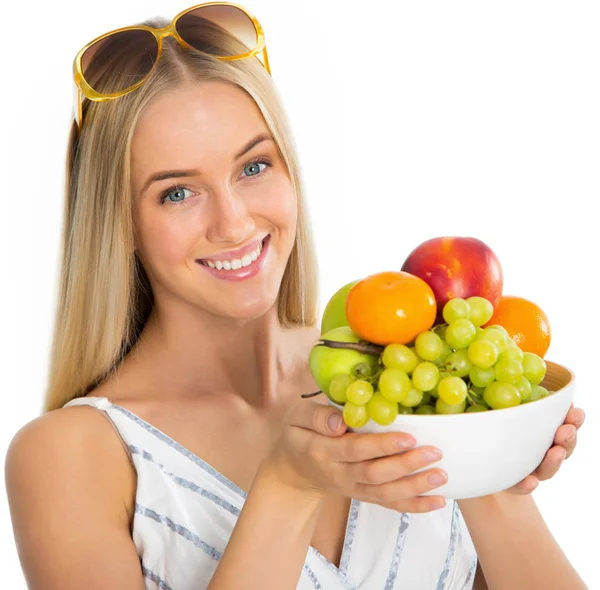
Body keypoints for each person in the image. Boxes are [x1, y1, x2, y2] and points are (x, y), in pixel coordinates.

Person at [4, 4, 587, 589]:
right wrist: (289, 485)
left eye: (254, 166)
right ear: (119, 222)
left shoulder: (397, 372)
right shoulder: (70, 457)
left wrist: (489, 456)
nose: (232, 223)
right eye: (178, 192)